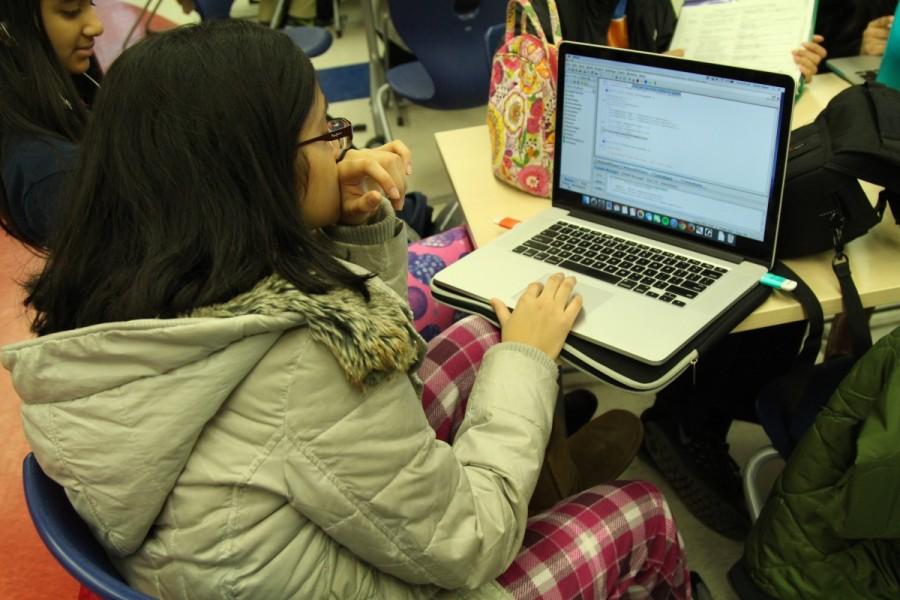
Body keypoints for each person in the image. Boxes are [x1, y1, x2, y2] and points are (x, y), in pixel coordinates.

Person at [2, 20, 691, 599]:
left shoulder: (126, 282)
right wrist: (532, 362)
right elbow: (465, 544)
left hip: (248, 535)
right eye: (323, 131)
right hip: (422, 561)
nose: (341, 146)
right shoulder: (305, 367)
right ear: (255, 175)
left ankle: (530, 474)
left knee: (483, 333)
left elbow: (362, 344)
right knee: (640, 511)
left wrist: (352, 230)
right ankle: (527, 481)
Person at [0, 0, 103, 249]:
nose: (96, 26)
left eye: (90, 3)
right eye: (71, 11)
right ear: (6, 31)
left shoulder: (63, 88)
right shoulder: (51, 171)